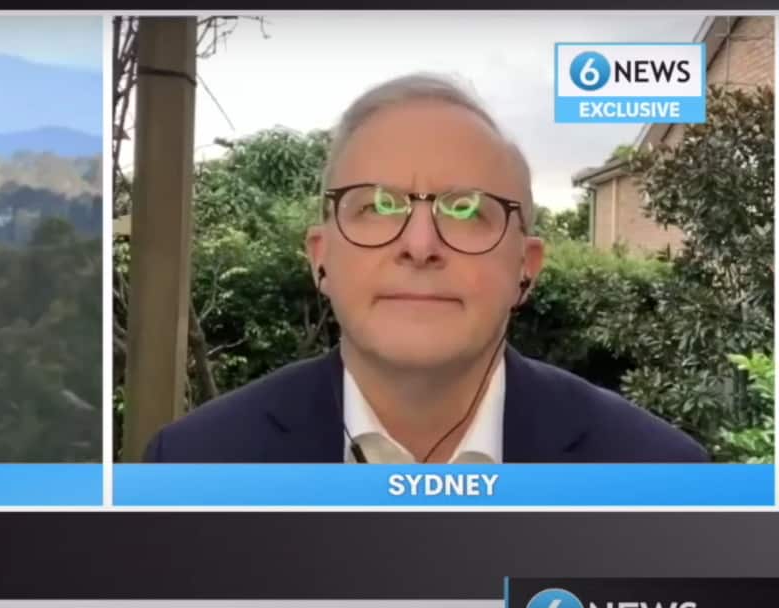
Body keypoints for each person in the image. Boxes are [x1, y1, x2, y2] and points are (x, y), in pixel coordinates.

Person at [144, 73, 706, 463]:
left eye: (466, 211)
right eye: (375, 206)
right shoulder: (192, 467)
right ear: (322, 258)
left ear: (525, 268)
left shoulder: (661, 477)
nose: (419, 244)